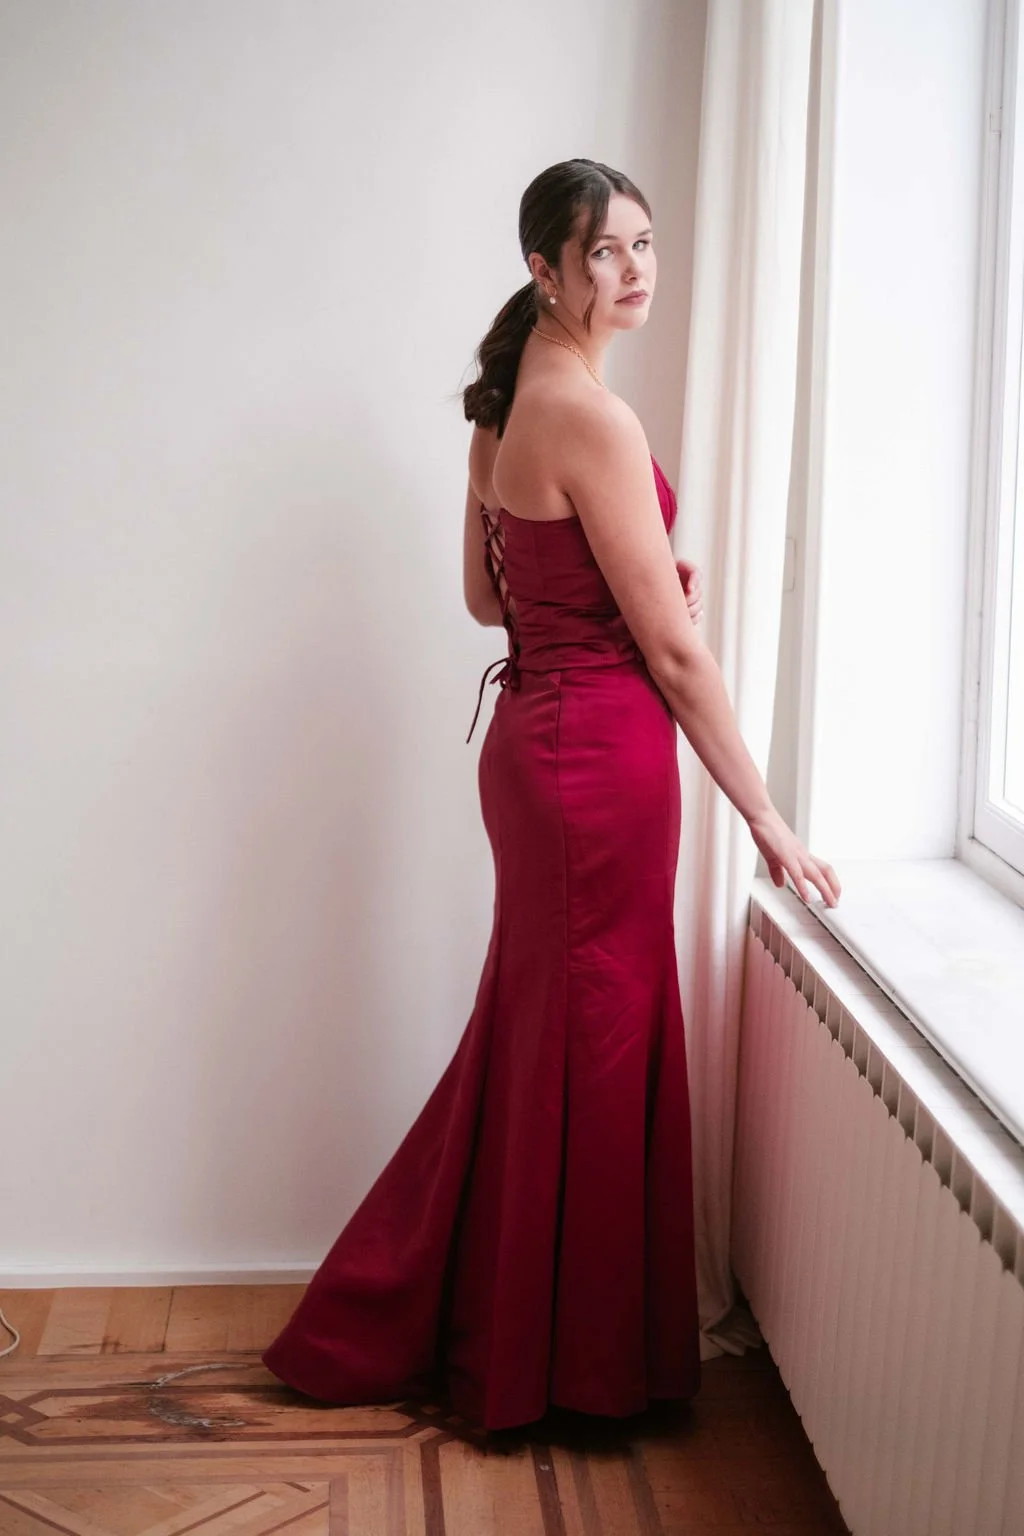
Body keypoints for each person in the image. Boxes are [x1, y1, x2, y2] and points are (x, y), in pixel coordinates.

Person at [261, 158, 841, 1436]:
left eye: (644, 245)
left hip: (535, 740)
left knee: (553, 1034)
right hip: (597, 760)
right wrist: (768, 817)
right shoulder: (592, 414)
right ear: (544, 268)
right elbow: (676, 657)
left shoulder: (504, 399)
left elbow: (489, 597)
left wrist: (614, 592)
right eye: (605, 253)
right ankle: (564, 1367)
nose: (633, 272)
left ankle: (519, 1334)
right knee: (592, 1040)